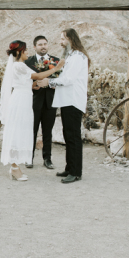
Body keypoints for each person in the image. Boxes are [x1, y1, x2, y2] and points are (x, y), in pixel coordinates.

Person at [0, 40, 63, 181]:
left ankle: (15, 167)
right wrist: (57, 68)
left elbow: (26, 81)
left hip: (24, 99)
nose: (27, 52)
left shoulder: (20, 66)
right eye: (25, 50)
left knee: (21, 132)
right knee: (17, 132)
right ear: (19, 52)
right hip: (20, 101)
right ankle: (14, 168)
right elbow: (39, 76)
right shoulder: (19, 66)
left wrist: (32, 86)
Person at [35, 29, 89, 183]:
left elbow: (69, 79)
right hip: (66, 100)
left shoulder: (78, 56)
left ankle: (76, 172)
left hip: (73, 100)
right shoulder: (71, 56)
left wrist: (49, 82)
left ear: (70, 39)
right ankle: (69, 168)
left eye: (62, 39)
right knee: (68, 136)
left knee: (73, 137)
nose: (60, 42)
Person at [24, 35, 61, 169]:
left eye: (45, 44)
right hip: (33, 102)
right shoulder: (28, 62)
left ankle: (47, 159)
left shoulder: (56, 62)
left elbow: (61, 80)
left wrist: (52, 83)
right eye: (40, 44)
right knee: (31, 131)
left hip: (50, 101)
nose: (43, 46)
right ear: (34, 47)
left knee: (48, 131)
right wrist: (32, 84)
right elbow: (22, 82)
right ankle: (29, 158)